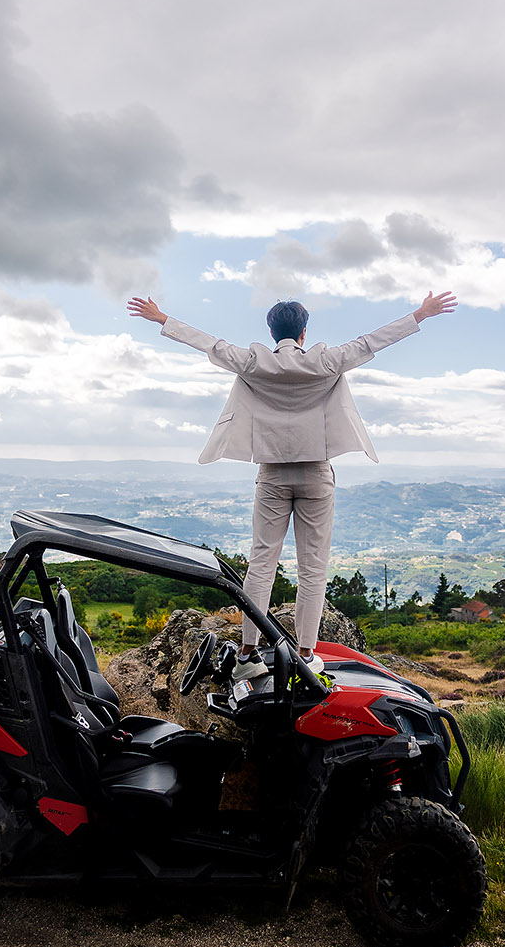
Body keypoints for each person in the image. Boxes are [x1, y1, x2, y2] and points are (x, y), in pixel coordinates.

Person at [128, 290, 456, 679]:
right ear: (303, 332)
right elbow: (372, 341)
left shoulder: (254, 362)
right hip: (317, 473)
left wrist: (162, 318)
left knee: (262, 562)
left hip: (272, 475)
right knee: (313, 567)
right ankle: (305, 653)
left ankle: (248, 654)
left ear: (272, 331)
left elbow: (209, 344)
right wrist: (420, 314)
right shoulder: (326, 361)